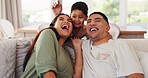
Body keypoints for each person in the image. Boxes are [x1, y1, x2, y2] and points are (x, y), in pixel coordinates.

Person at [75, 12, 144, 78]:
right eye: (89, 21)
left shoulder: (120, 45)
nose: (92, 23)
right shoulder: (82, 45)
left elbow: (135, 75)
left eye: (97, 21)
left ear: (107, 28)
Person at [21, 13, 82, 78]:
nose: (66, 21)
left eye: (69, 21)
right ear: (53, 26)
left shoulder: (66, 52)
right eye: (61, 19)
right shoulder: (47, 33)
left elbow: (76, 76)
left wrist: (77, 48)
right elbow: (48, 73)